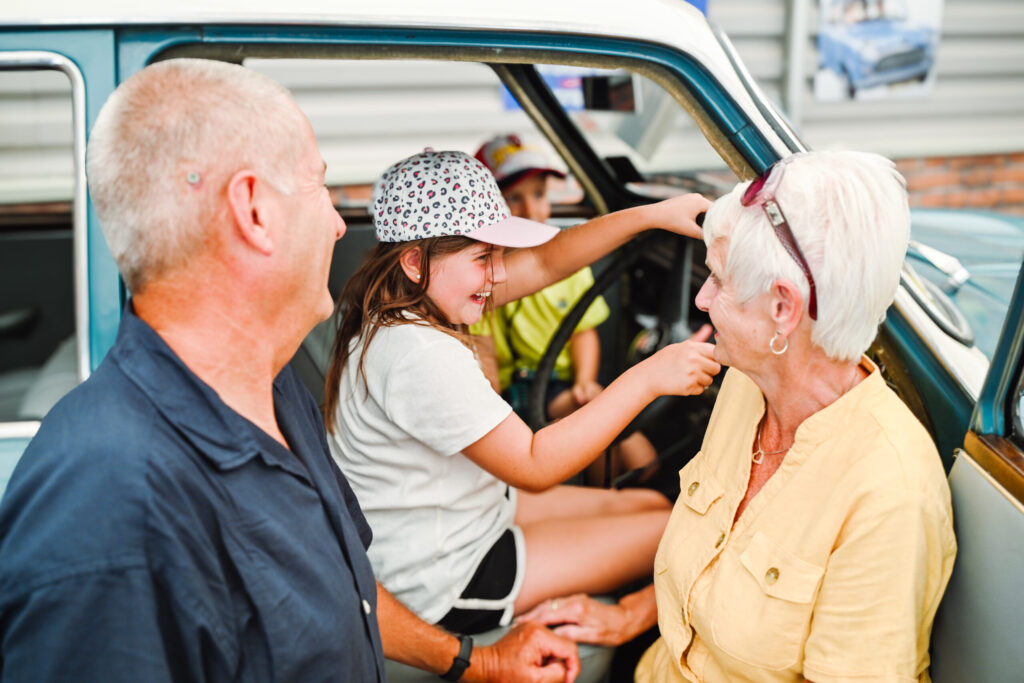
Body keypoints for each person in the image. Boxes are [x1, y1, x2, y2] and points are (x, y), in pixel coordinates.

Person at [0, 58, 581, 683]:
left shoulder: (272, 390)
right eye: (318, 186)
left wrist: (476, 662)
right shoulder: (112, 507)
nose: (337, 223)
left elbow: (349, 589)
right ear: (253, 210)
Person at [518, 150, 957, 682]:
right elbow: (713, 566)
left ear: (783, 308)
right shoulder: (748, 385)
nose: (701, 299)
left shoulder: (890, 494)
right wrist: (626, 616)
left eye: (719, 281)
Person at [323, 148, 718, 639]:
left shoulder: (397, 302)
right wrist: (649, 377)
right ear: (414, 261)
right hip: (440, 577)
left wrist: (651, 216)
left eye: (499, 254)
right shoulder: (416, 352)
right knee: (678, 532)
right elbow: (534, 465)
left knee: (657, 507)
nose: (501, 274)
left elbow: (551, 260)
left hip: (461, 517)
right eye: (484, 257)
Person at [470, 135, 656, 481]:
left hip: (563, 383)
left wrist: (585, 382)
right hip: (516, 388)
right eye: (514, 198)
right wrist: (493, 406)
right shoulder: (483, 271)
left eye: (539, 194)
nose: (530, 210)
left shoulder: (567, 263)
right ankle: (600, 499)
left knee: (629, 442)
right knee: (594, 418)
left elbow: (583, 332)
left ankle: (619, 490)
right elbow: (484, 351)